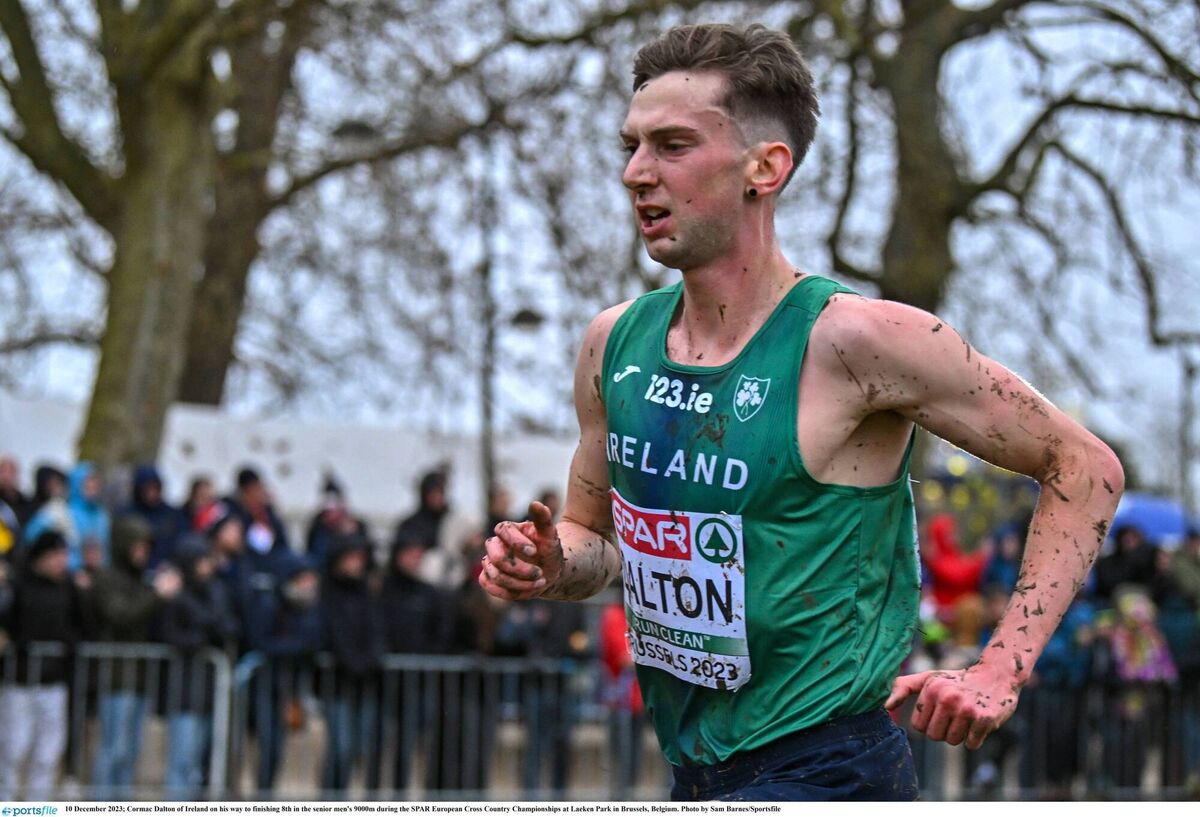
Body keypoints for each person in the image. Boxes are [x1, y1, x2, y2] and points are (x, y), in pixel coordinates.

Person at [479, 22, 1124, 801]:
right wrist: (550, 565)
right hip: (692, 770)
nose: (637, 173)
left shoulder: (857, 340)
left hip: (828, 765)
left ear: (766, 166)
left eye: (673, 145)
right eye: (631, 147)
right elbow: (601, 545)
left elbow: (1085, 466)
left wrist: (1000, 666)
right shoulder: (615, 343)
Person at [89, 515, 182, 796]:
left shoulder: (143, 580)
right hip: (116, 677)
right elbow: (121, 616)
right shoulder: (107, 579)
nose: (142, 554)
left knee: (131, 751)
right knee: (112, 749)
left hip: (140, 677)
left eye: (146, 548)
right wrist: (157, 595)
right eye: (137, 547)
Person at [0, 531, 88, 800]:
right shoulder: (19, 586)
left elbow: (81, 626)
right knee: (14, 748)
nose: (61, 562)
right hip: (20, 680)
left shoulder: (69, 587)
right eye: (56, 556)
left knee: (48, 752)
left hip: (54, 680)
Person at [158, 534, 239, 799]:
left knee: (201, 764)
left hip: (208, 691)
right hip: (184, 692)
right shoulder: (177, 594)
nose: (208, 567)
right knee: (182, 761)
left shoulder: (215, 590)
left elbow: (227, 625)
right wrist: (204, 634)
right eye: (202, 561)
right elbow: (173, 635)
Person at [123, 464, 186, 569]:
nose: (152, 493)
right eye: (148, 489)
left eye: (156, 488)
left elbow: (180, 541)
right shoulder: (127, 515)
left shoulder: (172, 515)